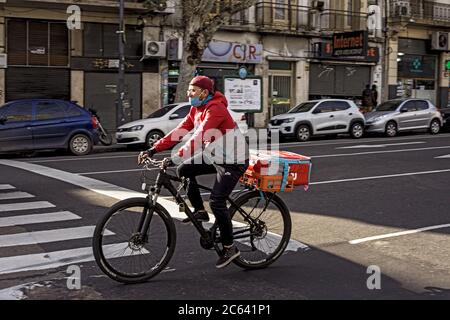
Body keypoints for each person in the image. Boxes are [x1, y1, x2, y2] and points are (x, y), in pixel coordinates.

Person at [138, 75, 249, 269]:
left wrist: (174, 157)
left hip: (234, 160)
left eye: (192, 90)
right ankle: (199, 211)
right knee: (184, 169)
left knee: (217, 201)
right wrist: (153, 149)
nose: (189, 93)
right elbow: (180, 131)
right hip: (216, 155)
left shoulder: (216, 109)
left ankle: (230, 247)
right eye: (189, 90)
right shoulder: (196, 109)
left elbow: (198, 138)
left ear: (204, 92)